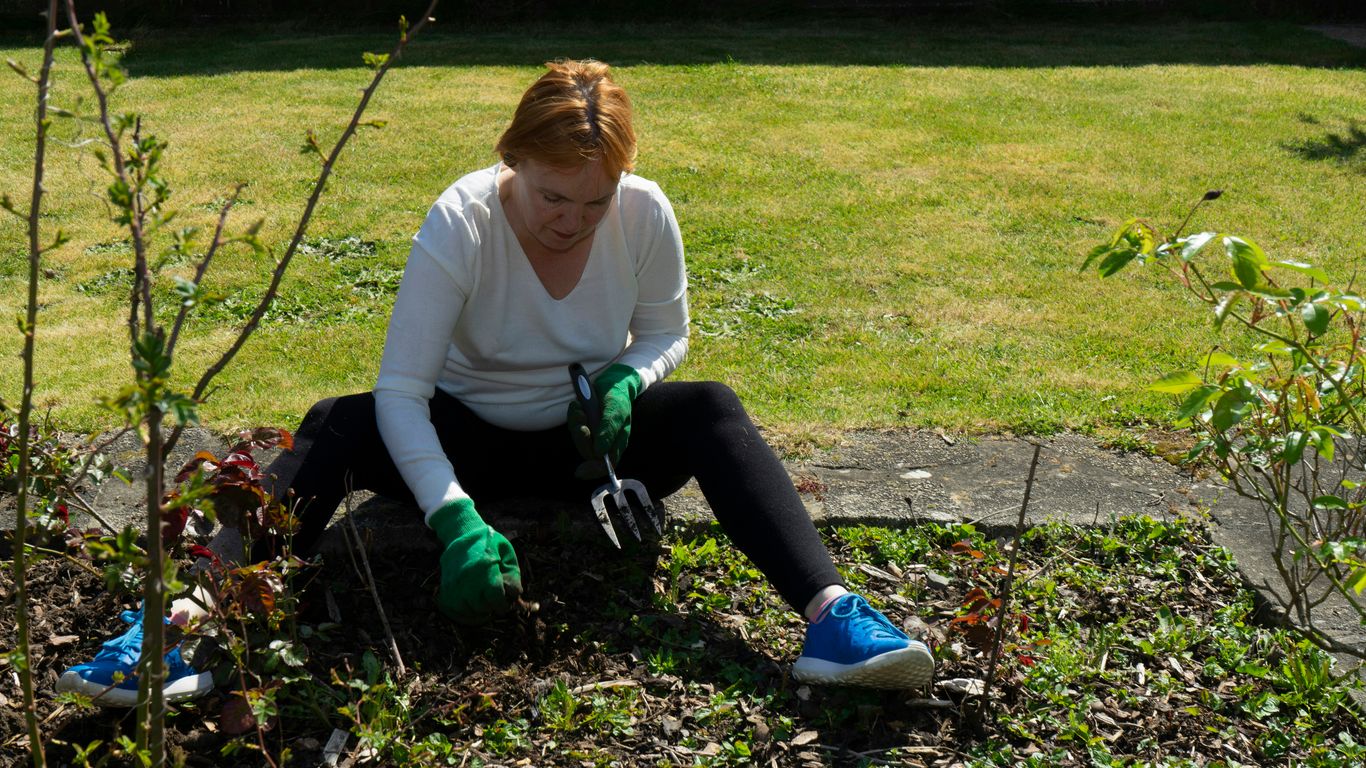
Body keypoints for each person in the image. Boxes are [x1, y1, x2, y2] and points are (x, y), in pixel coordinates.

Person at [57, 60, 934, 705]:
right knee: (335, 422)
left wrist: (629, 377)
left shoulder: (645, 210)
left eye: (596, 202)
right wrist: (451, 516)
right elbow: (403, 391)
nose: (574, 221)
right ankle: (176, 625)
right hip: (460, 441)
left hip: (591, 448)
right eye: (555, 197)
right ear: (513, 160)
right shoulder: (461, 219)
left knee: (709, 406)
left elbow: (666, 330)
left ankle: (834, 617)